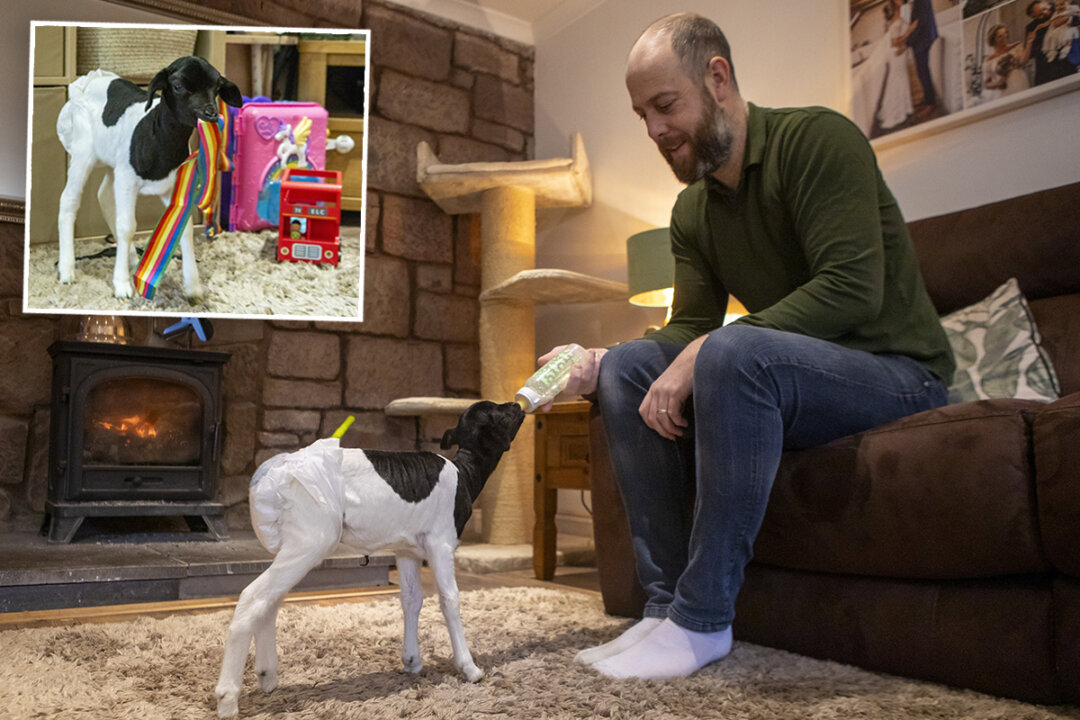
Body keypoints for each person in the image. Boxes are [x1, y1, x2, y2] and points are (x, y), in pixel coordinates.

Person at [539, 12, 955, 681]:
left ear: (718, 77)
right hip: (795, 378)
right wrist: (595, 364)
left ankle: (704, 623)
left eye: (665, 106)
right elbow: (686, 326)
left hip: (900, 375)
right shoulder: (693, 211)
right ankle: (665, 607)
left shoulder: (818, 140)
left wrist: (709, 352)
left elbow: (852, 290)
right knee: (629, 368)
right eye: (642, 113)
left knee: (733, 350)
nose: (653, 130)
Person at [895, 0, 939, 115]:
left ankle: (931, 104)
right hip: (921, 39)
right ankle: (927, 97)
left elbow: (920, 24)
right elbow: (914, 23)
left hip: (924, 39)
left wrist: (906, 43)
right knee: (921, 71)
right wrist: (904, 38)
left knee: (923, 71)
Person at [878, 0, 915, 130]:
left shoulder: (902, 14)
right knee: (896, 81)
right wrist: (909, 32)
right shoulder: (895, 18)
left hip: (902, 52)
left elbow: (901, 39)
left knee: (902, 80)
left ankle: (905, 109)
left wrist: (905, 44)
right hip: (896, 54)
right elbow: (894, 42)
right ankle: (894, 113)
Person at [1026, 0, 1079, 84]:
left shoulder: (1061, 9)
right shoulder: (1032, 28)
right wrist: (1032, 42)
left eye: (1044, 9)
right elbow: (1032, 53)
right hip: (1047, 68)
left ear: (1046, 4)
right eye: (1040, 14)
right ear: (1034, 17)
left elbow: (1076, 18)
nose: (1045, 13)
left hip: (1068, 59)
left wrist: (1067, 19)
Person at [982, 23, 1036, 100]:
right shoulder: (989, 60)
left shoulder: (1016, 46)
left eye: (1005, 34)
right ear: (993, 39)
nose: (1004, 38)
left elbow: (1024, 61)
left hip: (1020, 82)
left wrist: (1029, 43)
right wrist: (998, 83)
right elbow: (987, 84)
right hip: (1005, 90)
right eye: (1000, 36)